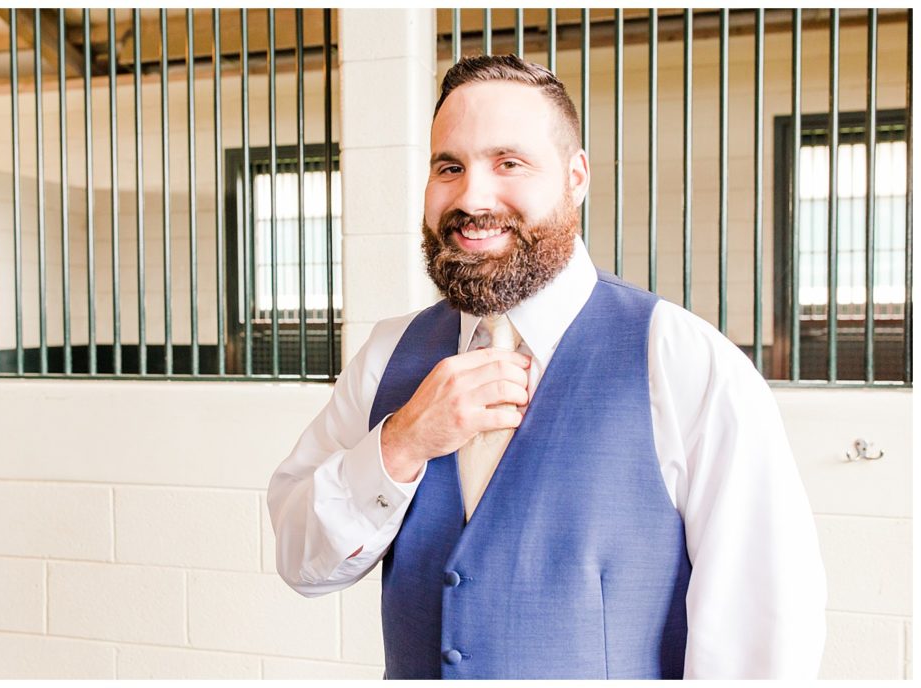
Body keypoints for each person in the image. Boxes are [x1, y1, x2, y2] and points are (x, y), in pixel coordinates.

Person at [267, 55, 826, 679]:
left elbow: (763, 639)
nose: (473, 197)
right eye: (449, 167)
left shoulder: (684, 362)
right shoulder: (385, 357)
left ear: (575, 175)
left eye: (509, 162)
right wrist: (399, 445)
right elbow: (301, 561)